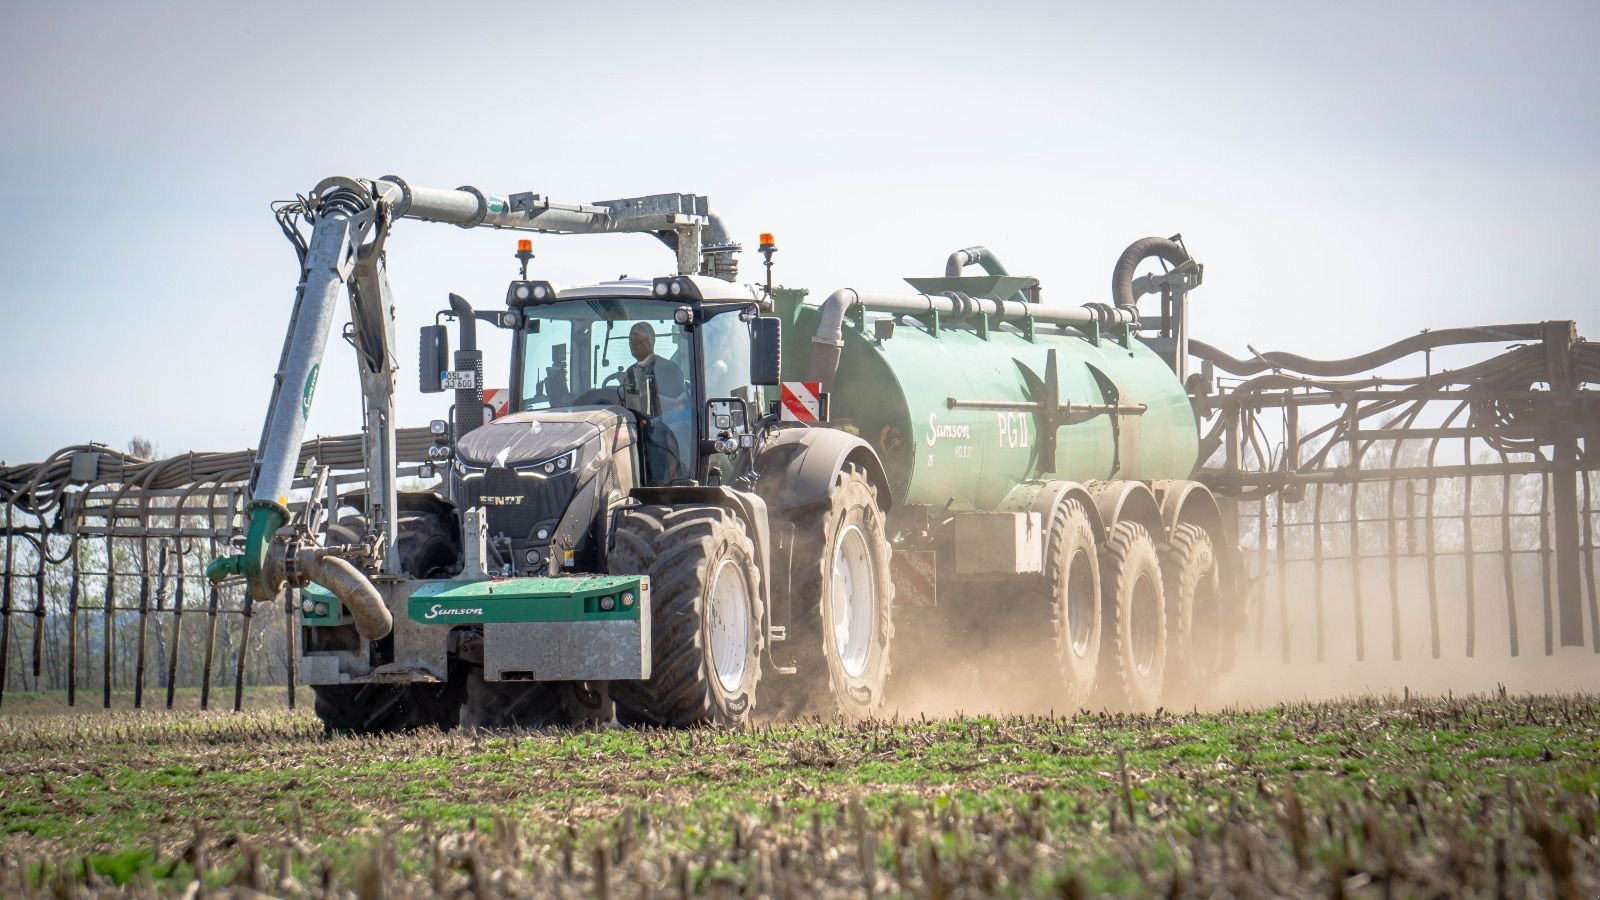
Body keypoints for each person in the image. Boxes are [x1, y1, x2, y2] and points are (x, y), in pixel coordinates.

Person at [621, 323, 692, 482]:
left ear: (652, 341)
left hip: (663, 434)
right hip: (635, 429)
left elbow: (682, 406)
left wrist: (656, 401)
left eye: (640, 339)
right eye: (631, 340)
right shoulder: (630, 372)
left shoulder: (669, 369)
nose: (635, 344)